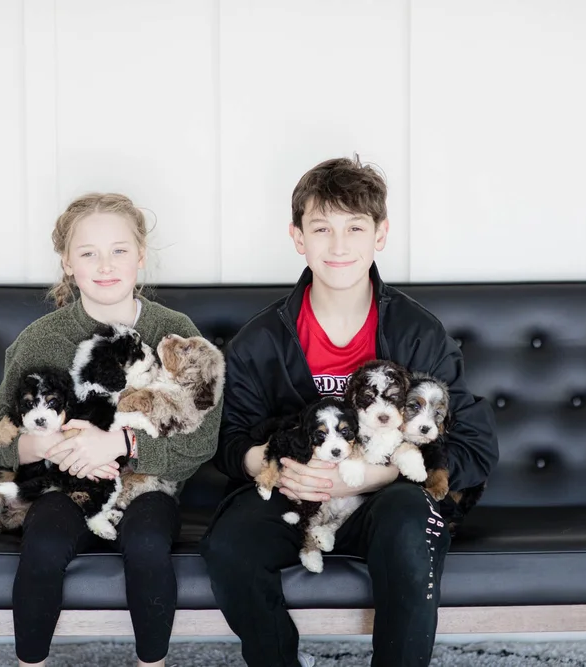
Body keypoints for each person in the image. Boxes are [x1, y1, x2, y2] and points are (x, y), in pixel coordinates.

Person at [199, 156, 498, 667]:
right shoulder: (261, 340)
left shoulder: (418, 333)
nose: (338, 246)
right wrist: (276, 468)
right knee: (230, 546)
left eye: (354, 227)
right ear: (298, 238)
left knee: (412, 522)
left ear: (379, 235)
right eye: (322, 228)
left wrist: (360, 480)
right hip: (293, 492)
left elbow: (475, 446)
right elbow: (227, 441)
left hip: (386, 498)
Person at [0, 192, 223, 667]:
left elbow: (203, 438)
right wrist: (44, 443)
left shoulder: (175, 330)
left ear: (140, 256)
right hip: (65, 487)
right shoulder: (41, 339)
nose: (105, 264)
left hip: (147, 491)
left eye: (118, 250)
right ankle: (30, 661)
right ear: (68, 264)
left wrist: (120, 443)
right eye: (88, 253)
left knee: (148, 543)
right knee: (44, 542)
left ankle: (150, 661)